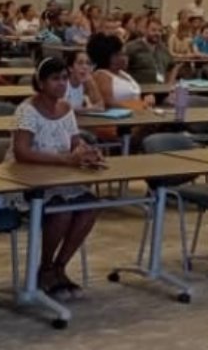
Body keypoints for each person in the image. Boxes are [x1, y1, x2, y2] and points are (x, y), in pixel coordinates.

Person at [10, 55, 103, 299]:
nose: (61, 83)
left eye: (64, 78)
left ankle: (60, 266)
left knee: (90, 207)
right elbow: (21, 152)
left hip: (60, 179)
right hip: (27, 183)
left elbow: (74, 144)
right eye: (54, 79)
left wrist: (86, 152)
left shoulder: (66, 109)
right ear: (41, 83)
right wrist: (65, 160)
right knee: (61, 212)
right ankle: (45, 267)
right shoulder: (27, 110)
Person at [88, 33, 152, 110]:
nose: (125, 58)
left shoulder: (123, 74)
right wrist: (140, 104)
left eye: (124, 54)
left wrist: (146, 100)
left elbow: (135, 98)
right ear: (110, 57)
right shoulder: (101, 75)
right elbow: (108, 102)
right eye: (120, 54)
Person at [124, 20, 178, 85]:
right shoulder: (131, 47)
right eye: (153, 30)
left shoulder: (163, 48)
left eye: (160, 31)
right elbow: (122, 68)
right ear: (145, 30)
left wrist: (170, 83)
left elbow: (173, 66)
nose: (157, 33)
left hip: (160, 88)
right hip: (140, 88)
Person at [63, 47, 105, 112]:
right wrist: (88, 109)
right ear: (70, 68)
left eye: (88, 63)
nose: (85, 67)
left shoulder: (87, 81)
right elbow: (59, 109)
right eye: (80, 63)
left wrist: (82, 110)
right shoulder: (62, 83)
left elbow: (101, 106)